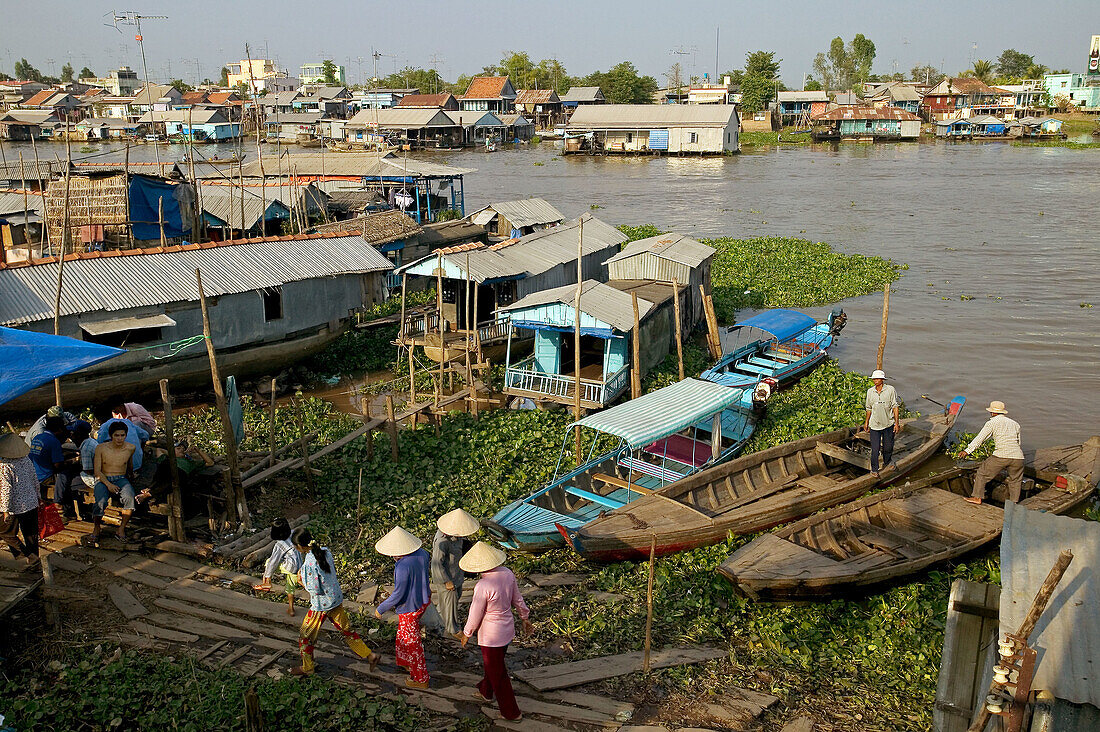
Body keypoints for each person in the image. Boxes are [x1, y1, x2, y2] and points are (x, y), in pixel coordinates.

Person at [291, 527, 379, 677]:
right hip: (335, 599)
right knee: (347, 631)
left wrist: (301, 581)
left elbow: (314, 589)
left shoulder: (309, 565)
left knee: (305, 637)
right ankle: (370, 655)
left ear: (301, 547)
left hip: (321, 605)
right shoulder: (325, 551)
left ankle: (308, 667)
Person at [460, 541, 532, 722]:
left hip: (491, 634)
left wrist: (467, 632)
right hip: (506, 629)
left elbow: (475, 613)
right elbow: (517, 598)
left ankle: (511, 712)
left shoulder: (483, 585)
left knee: (498, 672)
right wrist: (525, 617)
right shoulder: (507, 573)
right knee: (494, 664)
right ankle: (486, 691)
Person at [374, 526, 432, 689]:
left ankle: (421, 678)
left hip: (409, 607)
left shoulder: (402, 567)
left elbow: (398, 594)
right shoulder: (423, 553)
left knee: (412, 643)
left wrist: (381, 608)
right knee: (403, 634)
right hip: (423, 599)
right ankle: (405, 662)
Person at [962, 401, 1025, 505]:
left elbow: (980, 439)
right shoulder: (1015, 424)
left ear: (992, 413)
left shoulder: (992, 423)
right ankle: (1014, 503)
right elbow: (1018, 442)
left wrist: (967, 451)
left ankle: (977, 498)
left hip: (1001, 455)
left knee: (982, 473)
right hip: (1018, 457)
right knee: (1016, 480)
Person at [431, 508, 480, 639]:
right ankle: (453, 629)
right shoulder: (442, 542)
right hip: (447, 578)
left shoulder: (457, 538)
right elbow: (437, 564)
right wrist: (446, 580)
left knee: (447, 603)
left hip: (457, 575)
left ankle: (437, 624)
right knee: (450, 604)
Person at [91, 420, 138, 543]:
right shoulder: (101, 448)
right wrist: (108, 484)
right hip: (103, 479)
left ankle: (121, 529)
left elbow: (129, 466)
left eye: (122, 435)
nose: (119, 438)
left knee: (129, 498)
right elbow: (97, 472)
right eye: (117, 435)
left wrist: (131, 479)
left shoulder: (130, 448)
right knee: (100, 503)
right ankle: (96, 527)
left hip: (121, 478)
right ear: (111, 436)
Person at [0, 433, 41, 567]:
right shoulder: (26, 460)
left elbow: (6, 489)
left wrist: (5, 510)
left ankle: (29, 556)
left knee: (5, 532)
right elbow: (35, 480)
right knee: (31, 534)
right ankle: (34, 560)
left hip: (16, 506)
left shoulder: (4, 466)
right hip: (31, 502)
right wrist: (38, 497)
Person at [256, 517, 303, 616]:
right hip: (300, 565)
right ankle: (292, 608)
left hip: (290, 567)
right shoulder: (294, 533)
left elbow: (274, 561)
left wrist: (267, 575)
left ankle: (267, 582)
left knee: (269, 562)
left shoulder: (280, 545)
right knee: (294, 585)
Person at [860, 369, 900, 478]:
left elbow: (895, 407)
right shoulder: (870, 392)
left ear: (882, 380)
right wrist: (866, 422)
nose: (875, 381)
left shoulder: (890, 390)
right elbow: (869, 409)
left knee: (888, 447)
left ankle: (887, 461)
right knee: (875, 448)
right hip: (875, 425)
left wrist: (896, 423)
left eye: (877, 379)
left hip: (888, 424)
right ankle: (874, 469)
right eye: (874, 379)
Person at [28, 416, 70, 506]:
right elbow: (58, 465)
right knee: (67, 474)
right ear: (59, 429)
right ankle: (60, 502)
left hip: (34, 475)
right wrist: (69, 463)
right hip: (46, 477)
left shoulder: (37, 437)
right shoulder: (54, 442)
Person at [95, 404, 150, 472]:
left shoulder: (104, 427)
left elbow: (98, 446)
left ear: (99, 420)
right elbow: (146, 435)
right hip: (138, 463)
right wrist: (140, 448)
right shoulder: (127, 422)